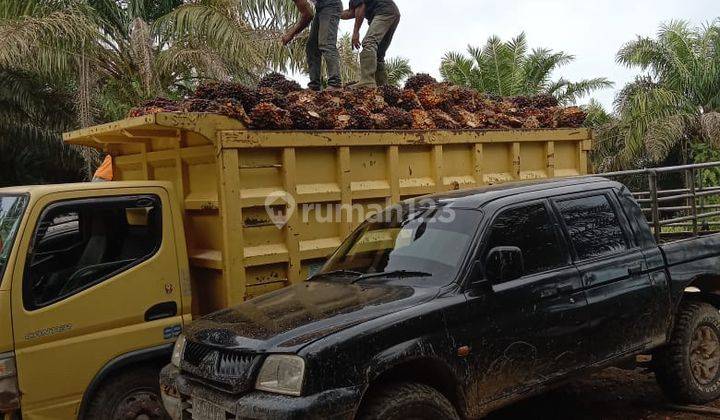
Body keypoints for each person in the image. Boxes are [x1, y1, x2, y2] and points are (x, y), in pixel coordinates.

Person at [283, 0, 343, 90]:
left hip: (331, 5)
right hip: (320, 8)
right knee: (312, 48)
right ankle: (314, 85)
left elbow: (307, 16)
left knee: (326, 43)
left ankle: (335, 83)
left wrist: (291, 34)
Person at [342, 0, 400, 88]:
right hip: (392, 12)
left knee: (369, 42)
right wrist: (333, 12)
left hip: (383, 11)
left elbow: (360, 8)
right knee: (378, 54)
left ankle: (367, 80)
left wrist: (356, 33)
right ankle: (383, 87)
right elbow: (350, 13)